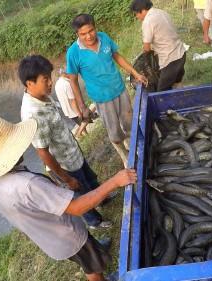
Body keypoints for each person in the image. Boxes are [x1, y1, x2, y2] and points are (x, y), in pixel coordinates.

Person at [0, 116, 136, 281]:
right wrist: (115, 181)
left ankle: (96, 248)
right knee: (90, 262)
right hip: (67, 236)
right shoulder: (28, 185)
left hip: (47, 237)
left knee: (85, 255)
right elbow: (77, 207)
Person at [19, 55, 112, 229]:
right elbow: (43, 153)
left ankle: (101, 199)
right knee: (80, 193)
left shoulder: (43, 97)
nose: (50, 83)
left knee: (90, 179)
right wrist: (67, 179)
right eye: (45, 79)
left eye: (49, 77)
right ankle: (95, 222)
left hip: (73, 153)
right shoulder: (32, 114)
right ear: (29, 83)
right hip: (65, 166)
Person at [65, 14, 147, 166]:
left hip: (120, 89)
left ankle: (134, 146)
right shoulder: (73, 53)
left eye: (91, 31)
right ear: (77, 34)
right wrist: (82, 106)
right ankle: (123, 154)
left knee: (129, 122)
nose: (89, 36)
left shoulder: (104, 38)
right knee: (114, 132)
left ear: (95, 28)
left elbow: (117, 57)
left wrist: (135, 74)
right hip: (102, 99)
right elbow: (73, 80)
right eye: (83, 34)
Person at [131, 0, 187, 91]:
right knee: (177, 83)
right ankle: (181, 102)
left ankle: (175, 103)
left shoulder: (148, 21)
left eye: (136, 14)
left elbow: (147, 48)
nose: (137, 17)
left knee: (162, 91)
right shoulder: (162, 12)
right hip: (181, 53)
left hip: (170, 60)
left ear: (142, 10)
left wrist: (145, 61)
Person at [55, 67, 97, 138]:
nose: (67, 73)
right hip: (74, 109)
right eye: (66, 72)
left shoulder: (57, 84)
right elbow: (72, 100)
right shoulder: (66, 84)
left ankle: (86, 135)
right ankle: (78, 133)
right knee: (86, 120)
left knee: (80, 123)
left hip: (67, 110)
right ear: (63, 73)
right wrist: (78, 112)